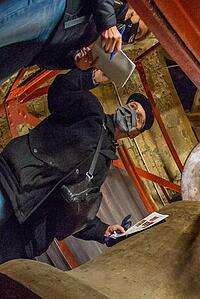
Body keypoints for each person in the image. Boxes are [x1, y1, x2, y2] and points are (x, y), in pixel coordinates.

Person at [0, 68, 155, 263]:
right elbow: (60, 91)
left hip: (25, 228)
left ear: (134, 134)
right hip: (13, 185)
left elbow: (76, 209)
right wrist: (92, 77)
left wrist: (103, 230)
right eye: (132, 106)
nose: (132, 113)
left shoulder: (103, 165)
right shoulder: (91, 111)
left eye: (138, 118)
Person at [0, 0, 150, 83]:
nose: (131, 33)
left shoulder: (93, 36)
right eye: (138, 29)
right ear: (138, 12)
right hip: (55, 9)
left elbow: (45, 61)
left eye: (134, 37)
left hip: (36, 48)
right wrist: (108, 23)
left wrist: (74, 61)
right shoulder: (115, 6)